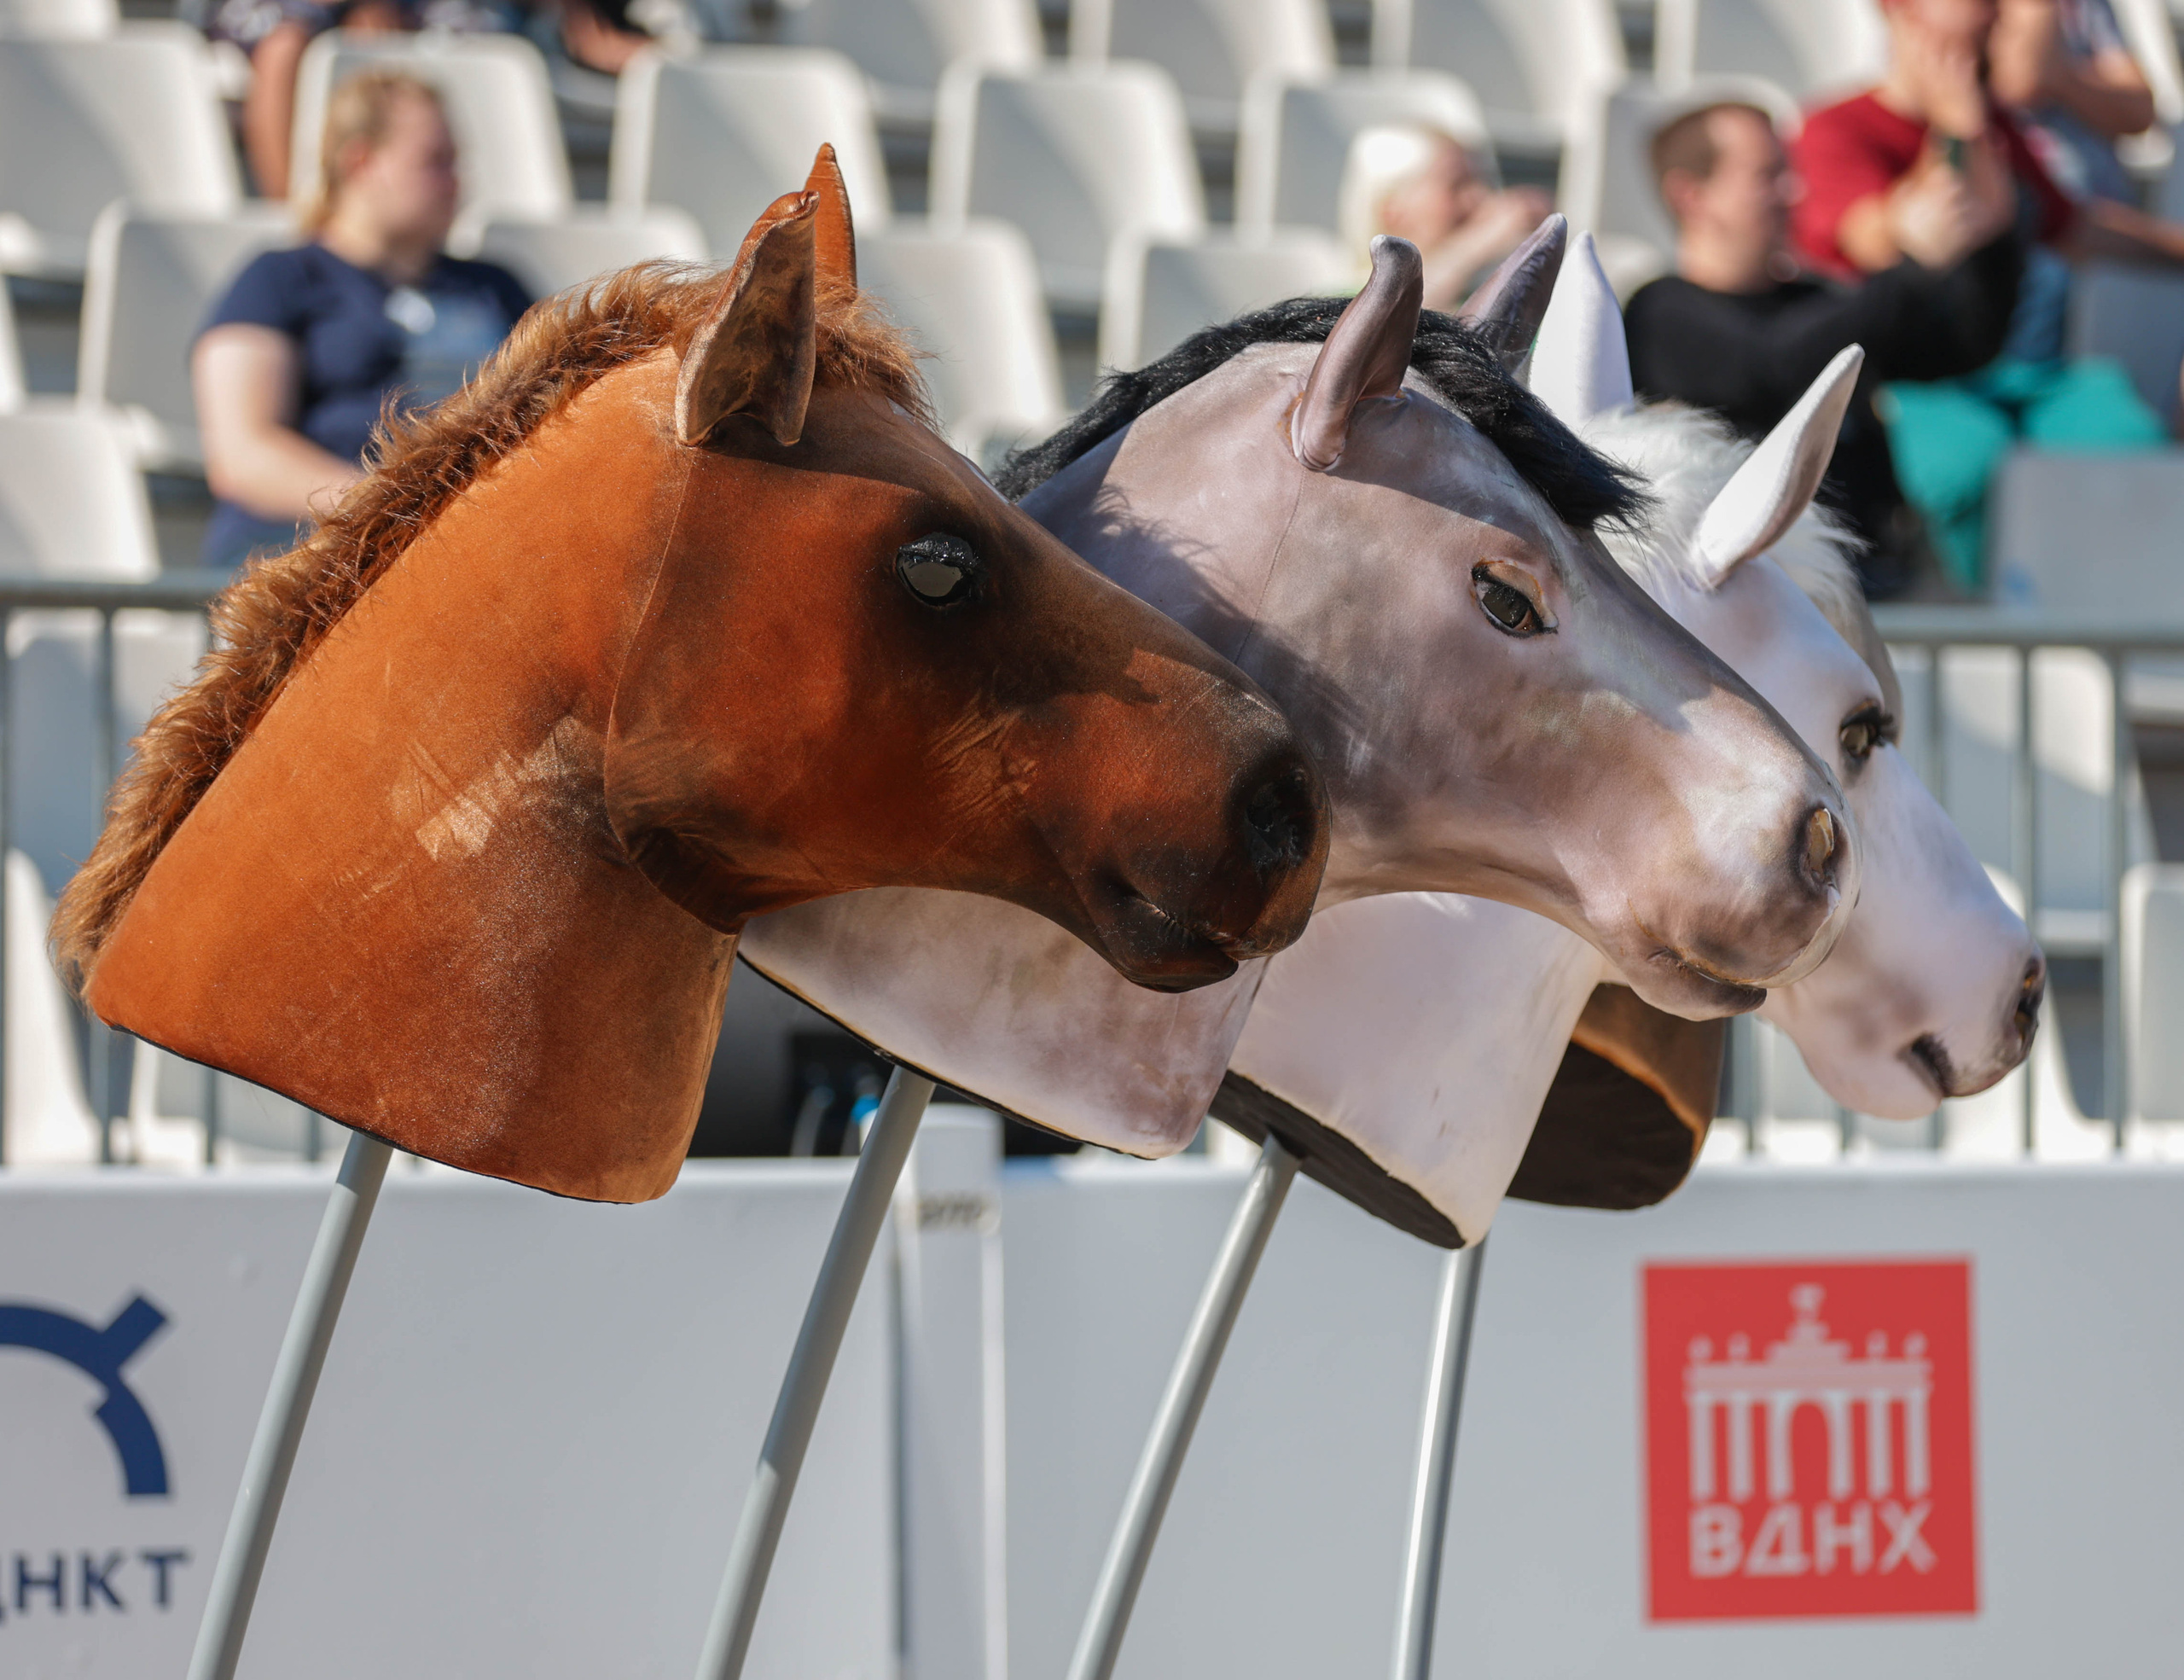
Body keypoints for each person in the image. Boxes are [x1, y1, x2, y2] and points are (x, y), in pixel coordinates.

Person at [1794, 0, 2181, 586]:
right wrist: (1956, 128)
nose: (1992, 15)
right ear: (1897, 11)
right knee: (1964, 468)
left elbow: (2072, 224)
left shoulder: (1992, 124)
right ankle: (1998, 636)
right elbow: (1891, 241)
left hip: (2026, 373)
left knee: (2125, 443)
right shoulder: (1837, 128)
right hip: (1912, 382)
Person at [1623, 102, 2020, 597]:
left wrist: (1993, 239)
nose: (1793, 190)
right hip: (1756, 611)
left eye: (1787, 170)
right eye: (1767, 175)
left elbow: (1959, 348)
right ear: (1691, 195)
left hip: (1871, 588)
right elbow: (1772, 366)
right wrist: (1912, 267)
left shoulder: (1811, 303)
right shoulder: (1661, 313)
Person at [194, 70, 531, 569]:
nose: (457, 183)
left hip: (470, 558)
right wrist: (391, 510)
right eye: (436, 162)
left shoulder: (495, 288)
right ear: (362, 162)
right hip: (307, 563)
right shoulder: (279, 280)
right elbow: (242, 456)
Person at [1338, 124, 1553, 311]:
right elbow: (1388, 324)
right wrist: (1478, 244)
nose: (1481, 197)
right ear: (1392, 211)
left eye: (1481, 182)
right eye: (1457, 185)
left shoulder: (1488, 291)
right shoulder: (1343, 300)